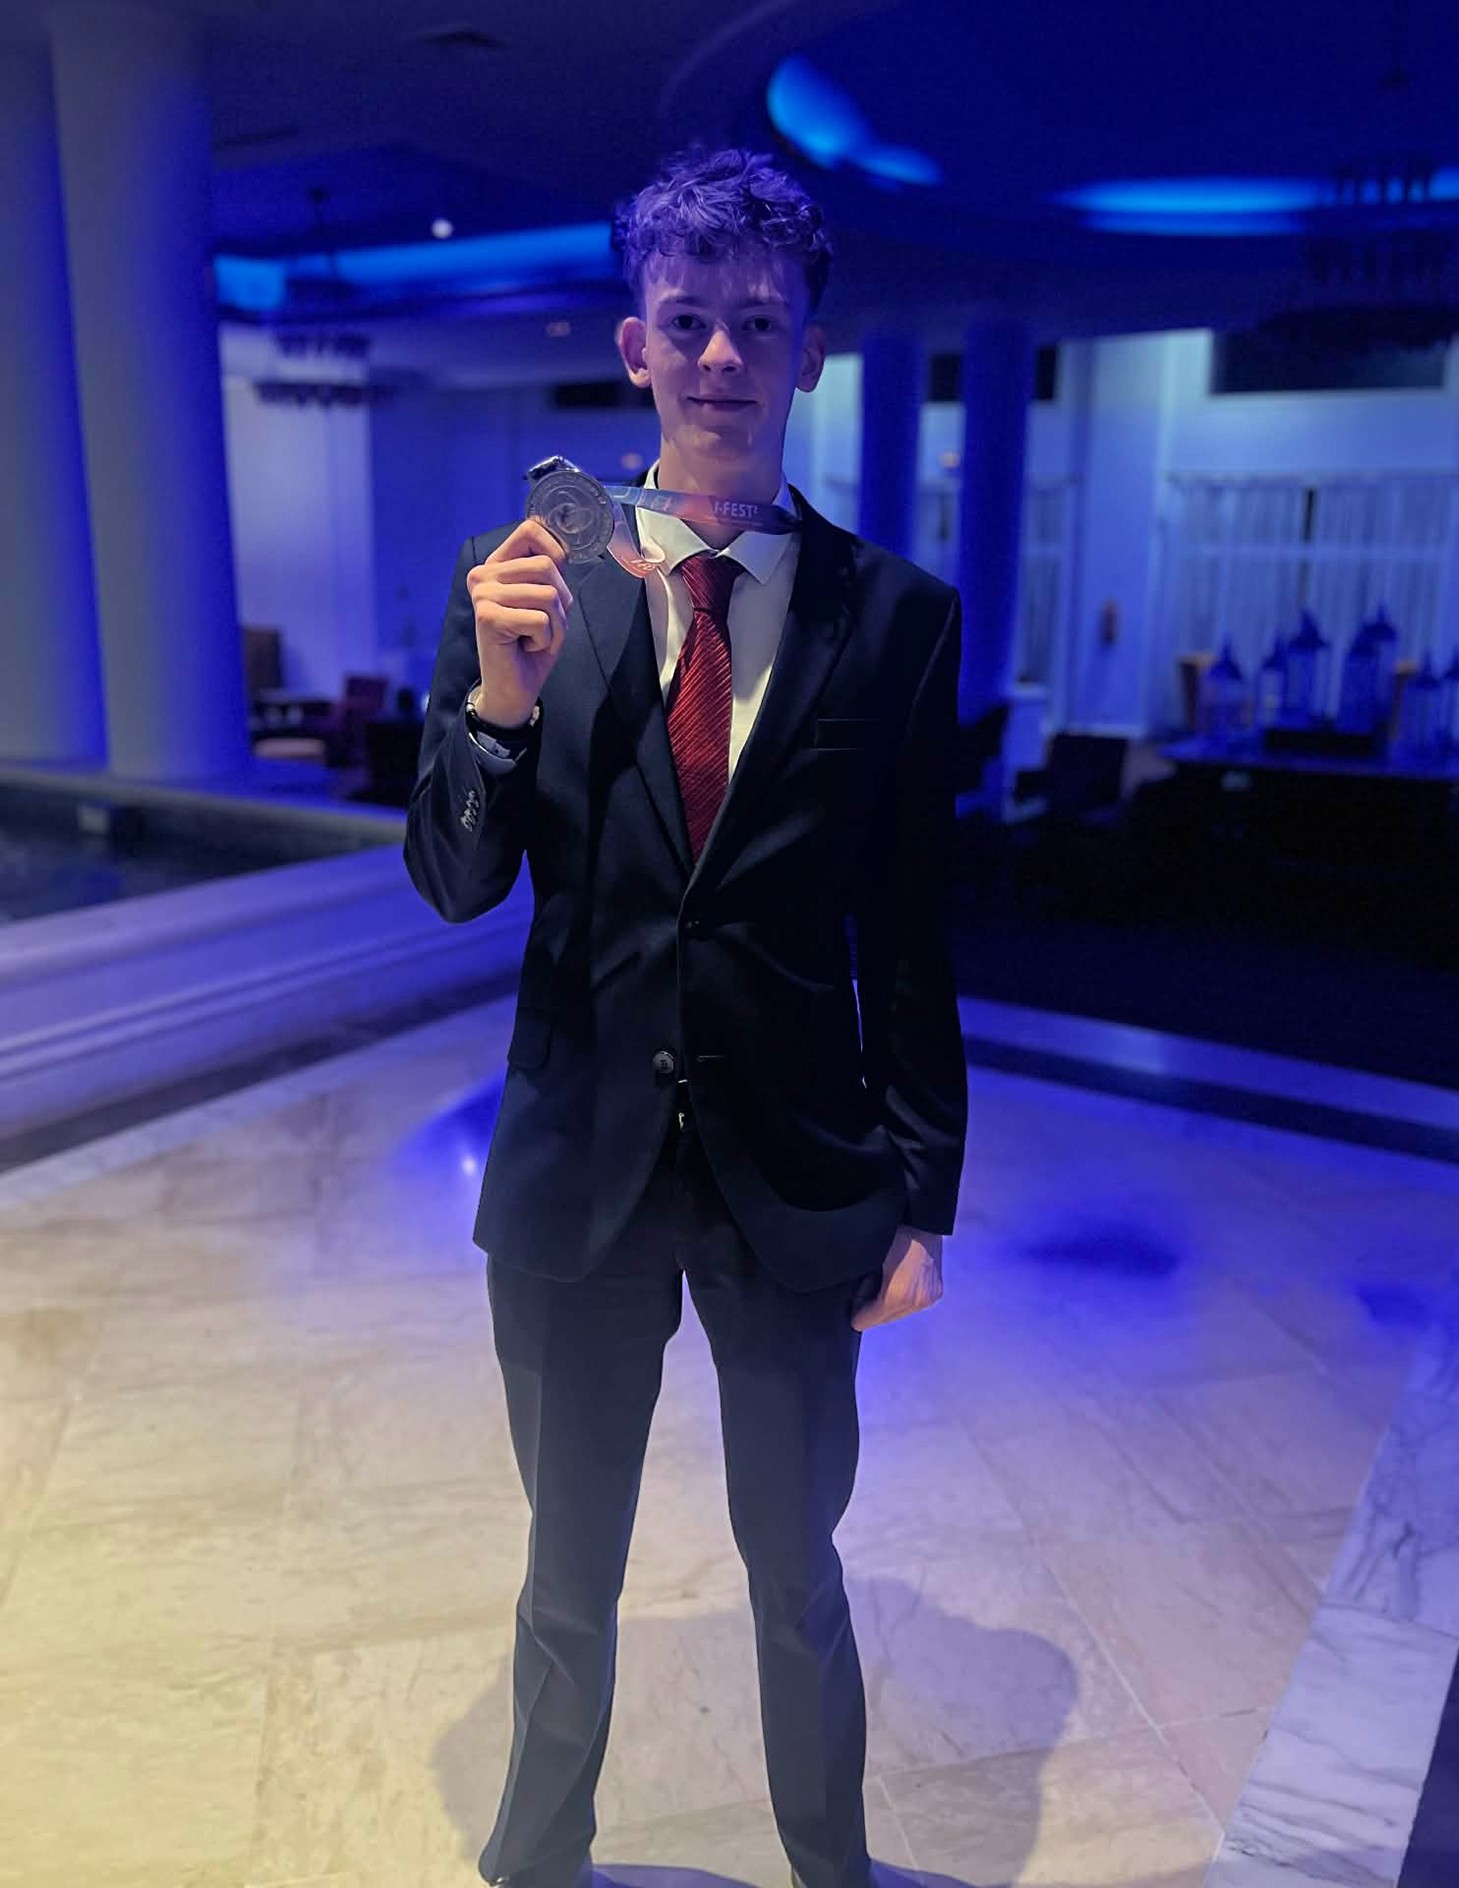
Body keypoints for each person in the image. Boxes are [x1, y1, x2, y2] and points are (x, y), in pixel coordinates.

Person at [404, 146, 968, 1888]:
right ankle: (533, 1863)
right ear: (633, 343)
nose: (722, 354)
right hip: (577, 1165)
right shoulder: (522, 578)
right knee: (564, 1579)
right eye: (688, 318)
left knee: (797, 1578)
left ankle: (831, 1870)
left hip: (796, 1174)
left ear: (810, 349)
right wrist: (497, 709)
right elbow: (453, 882)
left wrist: (921, 1196)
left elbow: (910, 927)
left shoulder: (897, 619)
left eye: (758, 322)